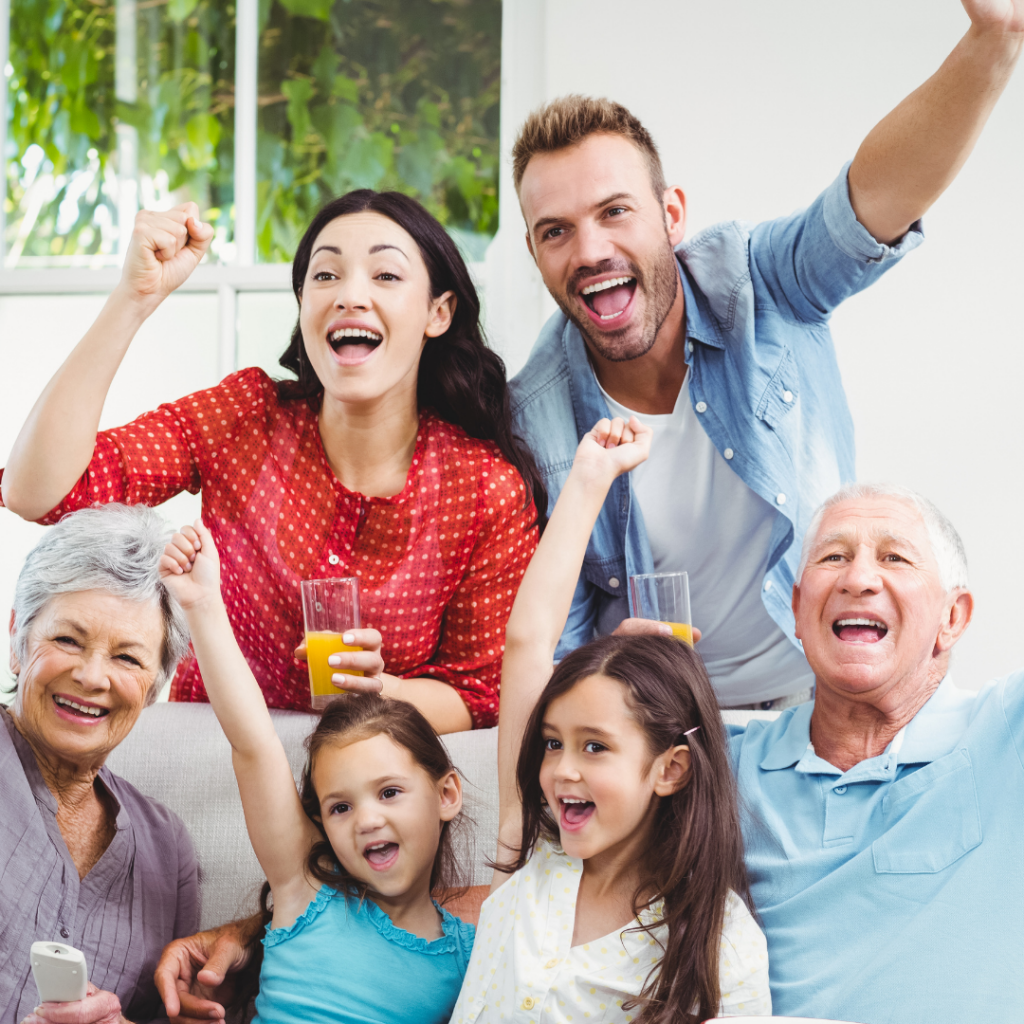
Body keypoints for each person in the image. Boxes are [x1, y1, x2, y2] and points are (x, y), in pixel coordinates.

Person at [508, 0, 1023, 709]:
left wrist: (994, 39)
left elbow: (868, 204)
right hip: (675, 723)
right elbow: (551, 642)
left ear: (672, 214)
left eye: (615, 211)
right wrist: (605, 661)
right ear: (534, 253)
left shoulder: (760, 282)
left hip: (831, 695)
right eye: (556, 231)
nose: (591, 250)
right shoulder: (533, 416)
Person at [0, 190, 545, 735]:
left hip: (371, 791)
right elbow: (38, 492)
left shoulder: (485, 490)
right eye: (325, 275)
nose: (350, 295)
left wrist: (387, 693)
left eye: (385, 276)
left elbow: (481, 694)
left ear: (438, 312)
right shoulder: (245, 415)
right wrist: (133, 298)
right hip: (204, 763)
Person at [451, 415, 770, 1023]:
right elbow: (526, 642)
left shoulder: (719, 945)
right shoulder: (536, 851)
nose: (561, 770)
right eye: (551, 744)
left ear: (670, 769)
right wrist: (589, 478)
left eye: (595, 747)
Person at [158, 519, 475, 1023]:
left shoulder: (472, 951)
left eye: (389, 792)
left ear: (447, 794)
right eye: (341, 807)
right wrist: (202, 606)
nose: (366, 820)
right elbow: (253, 744)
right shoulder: (306, 891)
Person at [730, 481, 1024, 1022]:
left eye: (895, 557)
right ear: (797, 612)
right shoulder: (727, 762)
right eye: (833, 556)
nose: (859, 578)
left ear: (952, 618)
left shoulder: (1009, 731)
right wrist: (620, 684)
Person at [0, 504, 197, 1024]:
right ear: (18, 639)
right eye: (67, 639)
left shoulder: (166, 846)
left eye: (127, 657)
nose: (91, 676)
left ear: (155, 685)